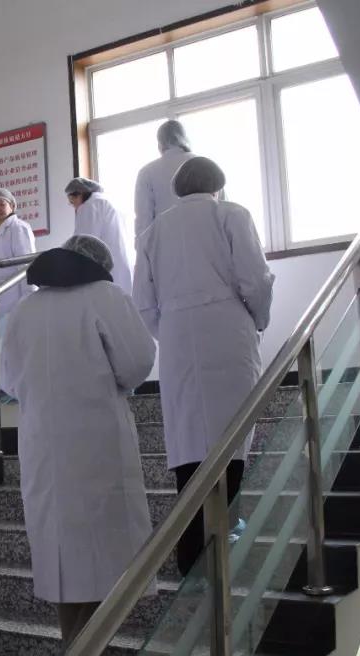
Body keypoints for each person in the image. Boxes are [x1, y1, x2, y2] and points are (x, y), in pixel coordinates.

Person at [0, 235, 157, 656]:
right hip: (95, 443)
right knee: (105, 560)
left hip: (43, 446)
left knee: (65, 560)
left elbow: (8, 379)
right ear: (99, 264)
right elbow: (137, 362)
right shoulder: (106, 297)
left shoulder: (24, 310)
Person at [134, 157, 275, 577]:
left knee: (188, 436)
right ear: (218, 184)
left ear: (177, 188)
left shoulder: (153, 232)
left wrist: (171, 332)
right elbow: (256, 280)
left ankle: (191, 549)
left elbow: (144, 304)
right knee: (233, 429)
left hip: (178, 338)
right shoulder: (230, 214)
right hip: (228, 330)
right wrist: (258, 320)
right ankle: (223, 530)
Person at [0, 187, 36, 393]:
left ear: (12, 206)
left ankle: (19, 388)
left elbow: (27, 264)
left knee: (17, 345)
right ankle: (5, 388)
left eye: (2, 204)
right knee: (2, 345)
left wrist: (30, 297)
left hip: (16, 294)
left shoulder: (18, 227)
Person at [66, 178, 133, 295]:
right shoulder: (109, 203)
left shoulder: (90, 206)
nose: (74, 206)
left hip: (106, 275)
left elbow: (82, 245)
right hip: (124, 273)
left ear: (80, 194)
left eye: (72, 201)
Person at [134, 120, 195, 242]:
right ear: (185, 138)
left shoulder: (147, 172)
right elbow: (223, 209)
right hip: (207, 244)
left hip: (166, 246)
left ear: (160, 143)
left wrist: (142, 251)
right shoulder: (205, 164)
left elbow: (143, 224)